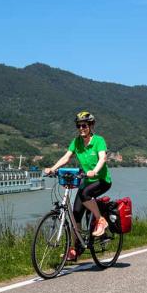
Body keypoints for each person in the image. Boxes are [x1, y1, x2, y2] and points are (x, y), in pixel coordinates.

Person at [44, 111, 112, 260]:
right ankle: (76, 248)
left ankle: (101, 220)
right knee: (75, 215)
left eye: (84, 125)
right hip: (87, 181)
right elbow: (66, 157)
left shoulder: (99, 141)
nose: (81, 128)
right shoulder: (76, 142)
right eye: (79, 126)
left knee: (85, 194)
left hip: (102, 180)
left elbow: (102, 158)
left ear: (91, 126)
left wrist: (94, 171)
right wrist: (53, 168)